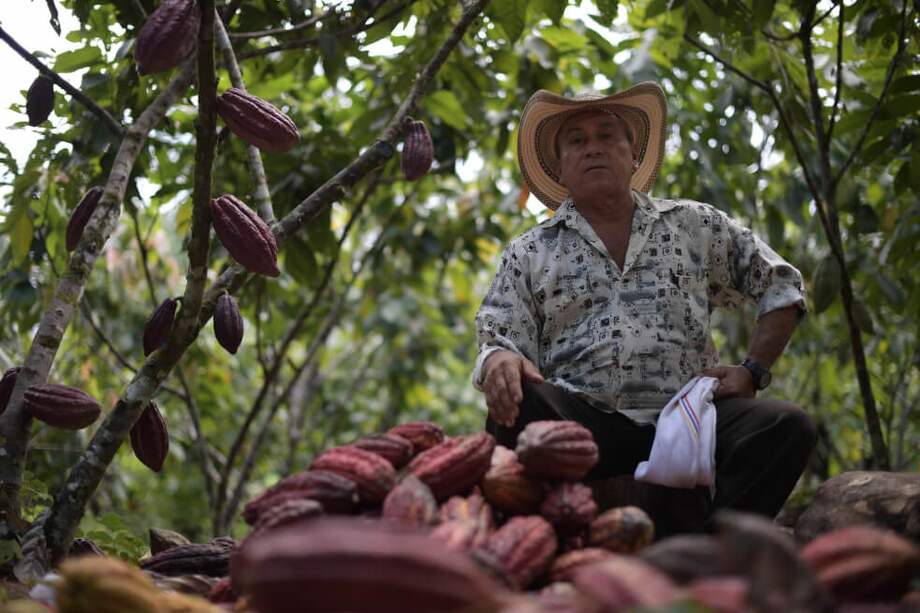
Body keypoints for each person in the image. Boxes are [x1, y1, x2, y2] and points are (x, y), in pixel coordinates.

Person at [472, 82, 816, 535]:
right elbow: (497, 336)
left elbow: (782, 285)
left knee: (786, 426)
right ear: (560, 166)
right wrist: (499, 358)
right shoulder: (530, 251)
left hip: (686, 420)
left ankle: (712, 550)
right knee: (517, 406)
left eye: (606, 136)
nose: (593, 148)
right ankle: (536, 542)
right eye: (577, 141)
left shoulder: (694, 223)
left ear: (632, 154)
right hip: (582, 425)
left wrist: (753, 370)